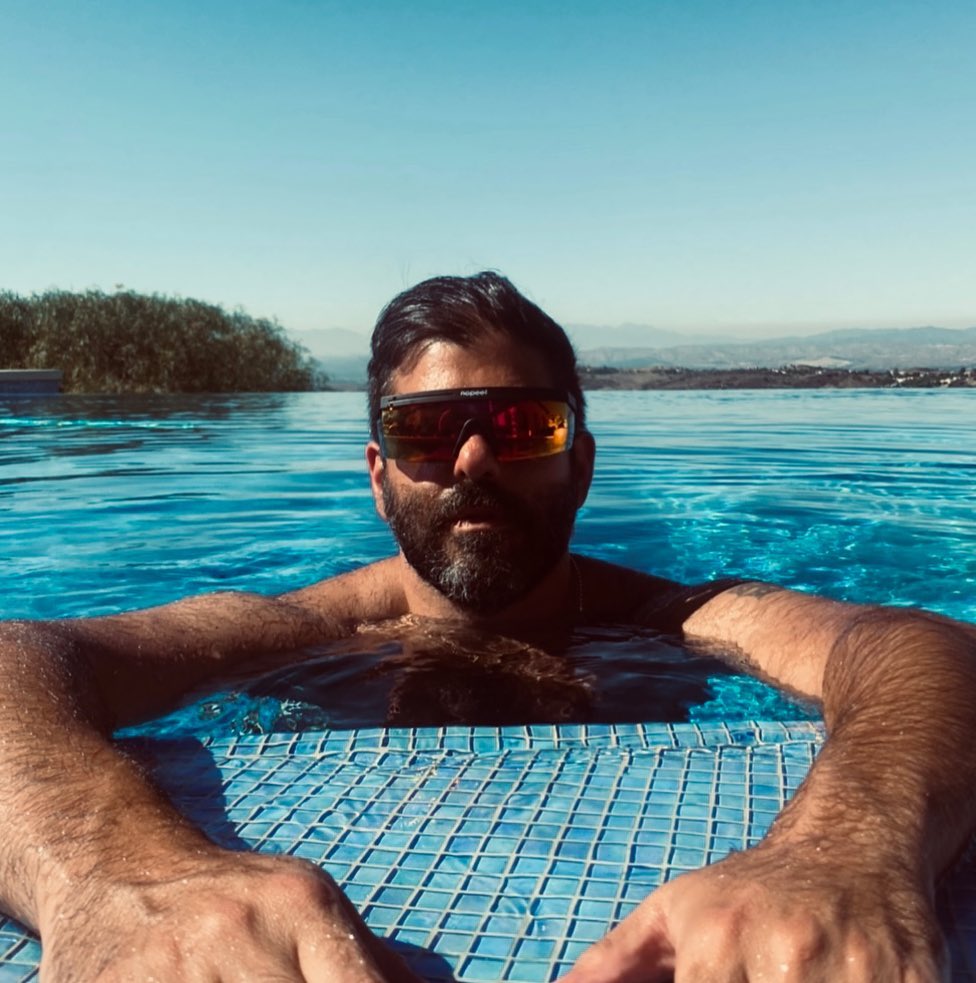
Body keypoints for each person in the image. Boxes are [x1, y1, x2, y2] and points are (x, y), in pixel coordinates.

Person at [0, 271, 973, 982]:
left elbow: (918, 646)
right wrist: (114, 870)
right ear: (379, 477)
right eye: (427, 429)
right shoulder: (297, 626)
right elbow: (17, 658)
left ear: (579, 464)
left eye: (521, 427)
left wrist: (847, 846)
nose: (473, 459)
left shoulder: (678, 615)